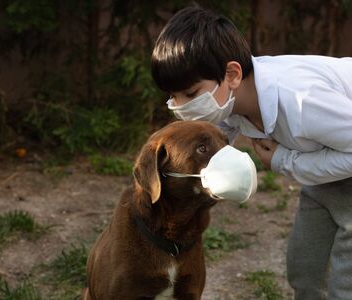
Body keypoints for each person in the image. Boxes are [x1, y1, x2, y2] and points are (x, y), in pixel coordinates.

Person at [150, 5, 352, 300]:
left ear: (232, 74)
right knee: (304, 268)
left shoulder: (301, 102)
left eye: (190, 94)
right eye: (172, 96)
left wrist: (283, 160)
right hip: (325, 173)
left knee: (345, 281)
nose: (180, 106)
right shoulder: (233, 101)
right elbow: (220, 148)